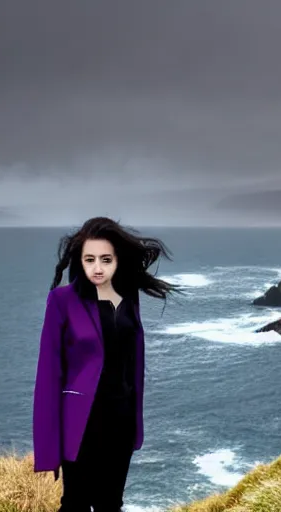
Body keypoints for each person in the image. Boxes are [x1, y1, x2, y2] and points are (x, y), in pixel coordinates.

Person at [32, 216, 182, 512]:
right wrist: (49, 450)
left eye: (105, 259)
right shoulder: (62, 301)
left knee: (110, 504)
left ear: (116, 260)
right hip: (81, 424)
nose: (97, 267)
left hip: (120, 421)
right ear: (81, 260)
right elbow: (48, 375)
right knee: (75, 504)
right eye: (90, 259)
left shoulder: (128, 297)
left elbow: (132, 361)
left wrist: (135, 421)